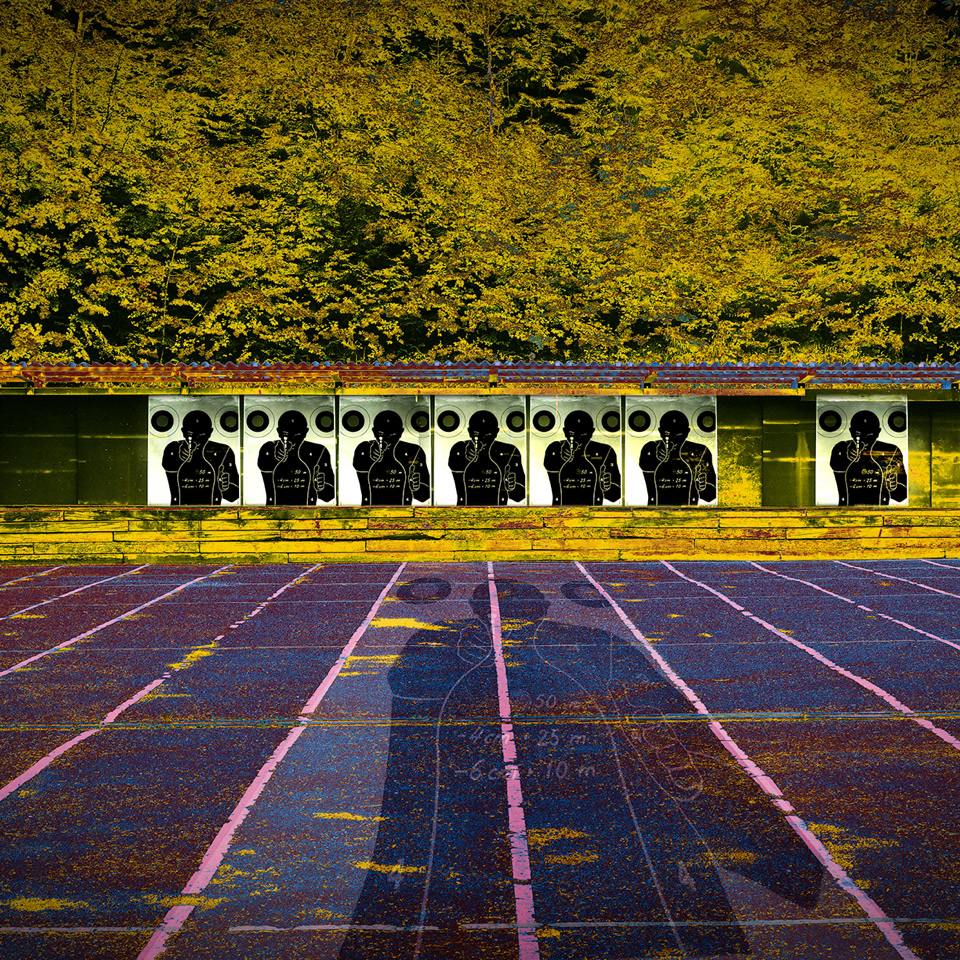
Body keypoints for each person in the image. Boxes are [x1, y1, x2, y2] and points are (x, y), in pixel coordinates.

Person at [338, 579, 824, 960]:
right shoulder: (592, 646)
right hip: (590, 833)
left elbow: (410, 759)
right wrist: (774, 858)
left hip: (503, 828)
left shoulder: (433, 650)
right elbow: (675, 745)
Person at [161, 410, 239, 506]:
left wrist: (226, 488)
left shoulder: (223, 452)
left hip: (211, 515)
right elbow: (169, 463)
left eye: (201, 435)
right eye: (191, 434)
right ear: (183, 432)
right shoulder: (173, 449)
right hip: (180, 514)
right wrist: (178, 455)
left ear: (210, 433)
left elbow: (233, 496)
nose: (196, 439)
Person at [639, 410, 717, 505]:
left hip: (687, 513)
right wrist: (656, 456)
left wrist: (702, 487)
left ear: (687, 432)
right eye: (668, 434)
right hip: (657, 512)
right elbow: (646, 465)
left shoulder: (700, 452)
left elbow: (710, 496)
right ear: (660, 432)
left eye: (678, 435)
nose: (673, 439)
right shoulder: (651, 448)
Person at [543, 410, 621, 506]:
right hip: (561, 513)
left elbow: (615, 496)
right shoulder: (555, 449)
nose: (578, 439)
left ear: (592, 432)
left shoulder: (605, 451)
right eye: (572, 434)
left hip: (592, 514)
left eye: (583, 434)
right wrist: (560, 457)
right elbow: (551, 465)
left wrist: (607, 487)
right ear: (565, 432)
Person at [353, 410, 431, 506]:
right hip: (371, 513)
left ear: (401, 432)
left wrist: (416, 487)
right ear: (374, 432)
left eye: (392, 435)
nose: (387, 439)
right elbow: (360, 464)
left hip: (402, 514)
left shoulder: (414, 451)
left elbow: (424, 496)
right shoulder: (364, 449)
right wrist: (369, 454)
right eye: (381, 434)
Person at [829, 410, 907, 505]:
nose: (864, 439)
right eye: (859, 434)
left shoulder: (891, 451)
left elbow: (901, 496)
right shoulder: (841, 448)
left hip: (879, 513)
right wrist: (847, 455)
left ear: (878, 432)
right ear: (851, 432)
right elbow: (837, 463)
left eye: (869, 434)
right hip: (847, 512)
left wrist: (893, 487)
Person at [257, 410, 334, 506]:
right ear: (279, 432)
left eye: (297, 436)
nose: (291, 441)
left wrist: (321, 487)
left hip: (306, 515)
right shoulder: (268, 449)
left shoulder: (319, 452)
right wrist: (274, 455)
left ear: (305, 433)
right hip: (276, 514)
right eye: (286, 435)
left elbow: (328, 496)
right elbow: (265, 464)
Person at [448, 410, 526, 506]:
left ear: (496, 432)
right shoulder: (459, 449)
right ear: (469, 432)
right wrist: (465, 456)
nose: (482, 439)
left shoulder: (510, 452)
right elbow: (456, 465)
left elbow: (519, 496)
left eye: (487, 434)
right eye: (477, 434)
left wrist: (512, 487)